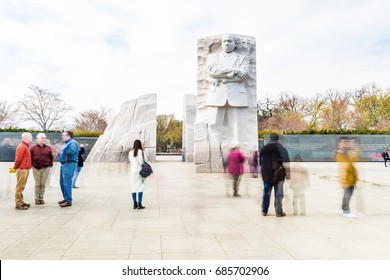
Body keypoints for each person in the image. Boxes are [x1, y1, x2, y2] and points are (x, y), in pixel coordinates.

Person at [260, 133, 290, 217]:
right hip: (279, 175)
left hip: (266, 175)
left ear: (270, 138)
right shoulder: (282, 148)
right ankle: (279, 212)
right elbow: (286, 162)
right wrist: (288, 174)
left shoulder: (264, 149)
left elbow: (260, 163)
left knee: (266, 192)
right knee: (279, 194)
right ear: (278, 139)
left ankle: (264, 210)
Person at [335, 137, 358, 218]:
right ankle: (346, 211)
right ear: (340, 143)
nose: (346, 143)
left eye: (346, 142)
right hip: (347, 177)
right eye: (343, 142)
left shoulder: (346, 152)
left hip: (350, 176)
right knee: (348, 194)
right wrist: (345, 179)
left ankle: (343, 209)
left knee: (346, 193)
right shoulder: (341, 153)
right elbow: (344, 167)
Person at [30, 133, 54, 205]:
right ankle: (37, 198)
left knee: (43, 184)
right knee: (38, 184)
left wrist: (50, 165)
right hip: (36, 168)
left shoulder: (48, 148)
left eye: (45, 138)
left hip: (46, 168)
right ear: (38, 139)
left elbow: (51, 157)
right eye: (42, 138)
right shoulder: (33, 148)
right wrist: (32, 165)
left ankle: (41, 198)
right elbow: (30, 157)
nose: (44, 139)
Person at [58, 131, 79, 207]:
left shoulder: (72, 143)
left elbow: (71, 152)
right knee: (62, 182)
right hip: (64, 164)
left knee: (67, 183)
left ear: (69, 136)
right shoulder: (66, 143)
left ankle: (68, 201)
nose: (62, 137)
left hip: (69, 164)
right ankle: (66, 198)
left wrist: (63, 150)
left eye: (64, 135)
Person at [13, 133, 33, 210]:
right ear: (27, 138)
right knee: (20, 186)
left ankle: (21, 201)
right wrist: (15, 167)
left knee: (22, 186)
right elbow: (18, 159)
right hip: (22, 169)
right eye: (30, 137)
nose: (31, 138)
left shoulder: (25, 146)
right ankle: (18, 204)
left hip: (25, 169)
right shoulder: (22, 147)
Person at [129, 139, 149, 209]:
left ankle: (135, 204)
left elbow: (131, 160)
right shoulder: (142, 152)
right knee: (140, 187)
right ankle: (139, 203)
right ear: (140, 145)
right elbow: (146, 160)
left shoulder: (130, 153)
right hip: (140, 172)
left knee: (133, 187)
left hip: (133, 172)